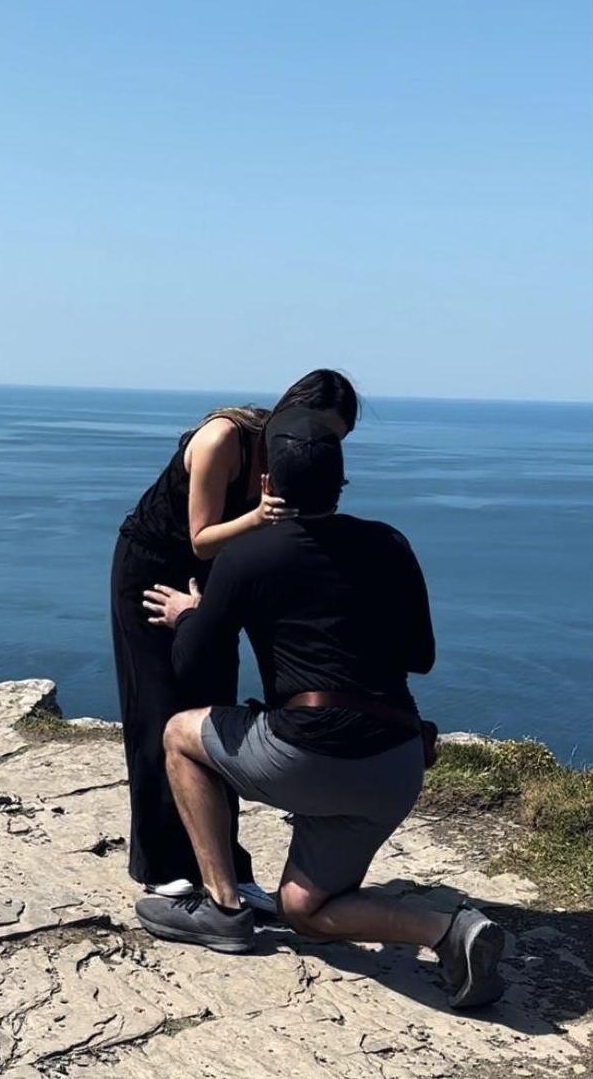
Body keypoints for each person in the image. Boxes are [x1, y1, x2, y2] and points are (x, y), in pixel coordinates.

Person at [136, 408, 505, 1009]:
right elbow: (422, 656)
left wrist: (191, 614)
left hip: (306, 756)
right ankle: (451, 932)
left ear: (266, 485)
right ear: (341, 483)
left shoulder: (249, 556)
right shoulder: (389, 543)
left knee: (180, 735)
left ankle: (223, 907)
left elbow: (191, 665)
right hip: (395, 763)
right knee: (304, 910)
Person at [111, 369, 360, 909]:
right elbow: (200, 539)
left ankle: (226, 864)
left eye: (336, 440)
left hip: (217, 583)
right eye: (321, 430)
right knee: (157, 710)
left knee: (214, 713)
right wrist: (260, 516)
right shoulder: (225, 438)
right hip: (155, 575)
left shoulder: (295, 462)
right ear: (290, 411)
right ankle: (162, 865)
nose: (324, 447)